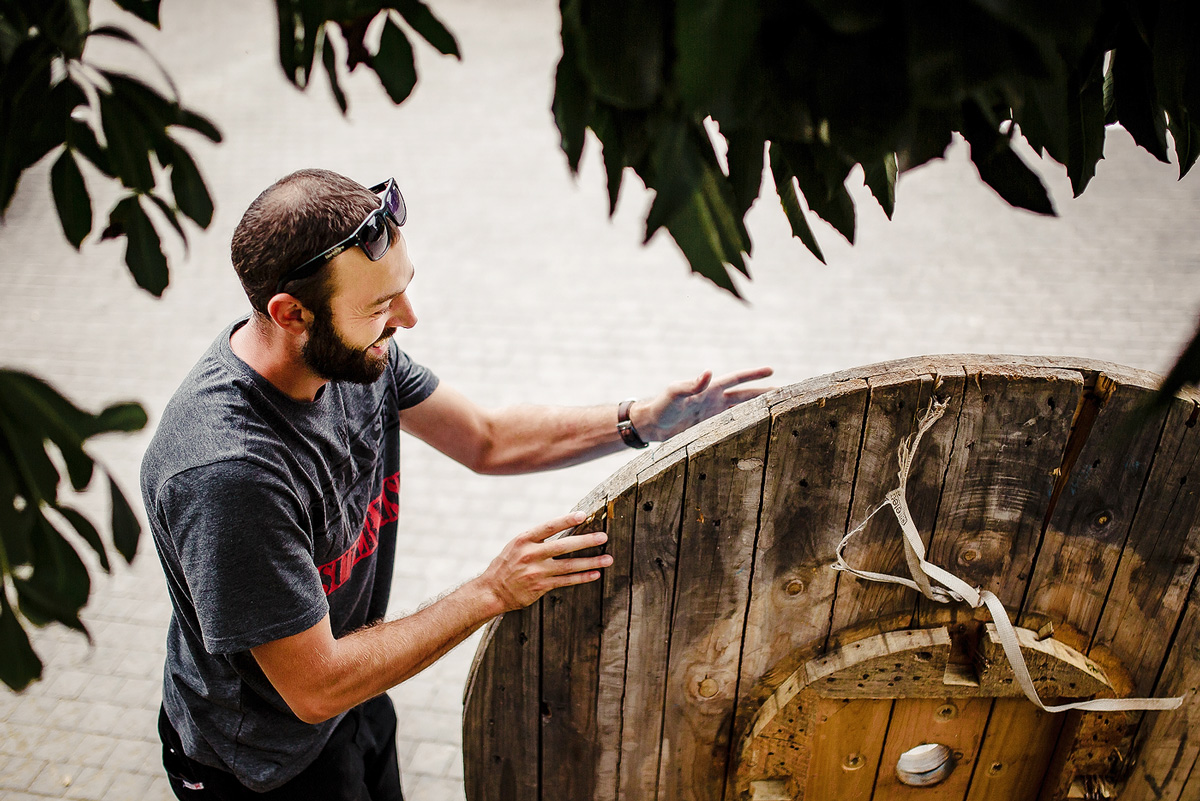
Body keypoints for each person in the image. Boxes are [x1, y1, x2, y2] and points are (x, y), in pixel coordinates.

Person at [141, 168, 773, 800]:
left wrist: (636, 422)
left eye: (403, 291)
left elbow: (486, 438)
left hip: (352, 705)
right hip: (260, 761)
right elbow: (313, 686)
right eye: (382, 306)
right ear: (290, 313)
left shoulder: (356, 353)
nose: (409, 319)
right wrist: (491, 591)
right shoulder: (227, 473)